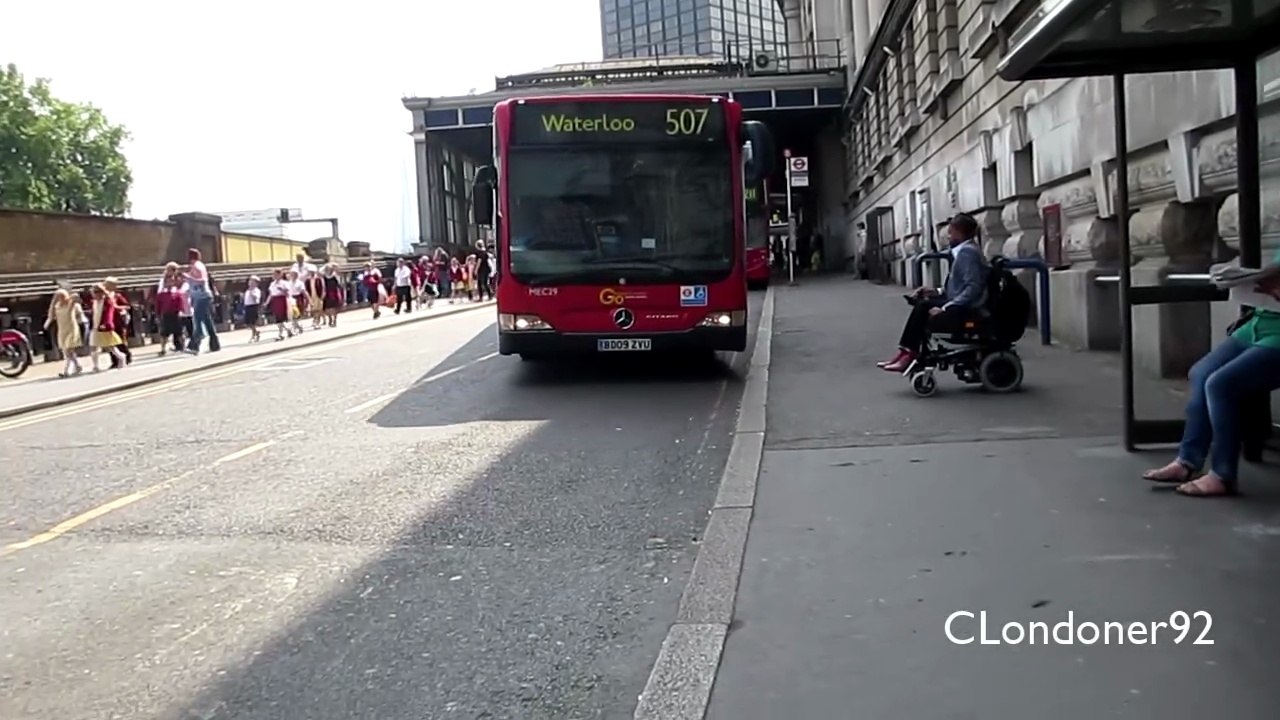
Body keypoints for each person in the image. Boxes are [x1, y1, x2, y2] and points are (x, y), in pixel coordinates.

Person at [1142, 261, 1280, 497]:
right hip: (1260, 322)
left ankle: (1222, 475)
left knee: (1221, 384)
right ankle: (1187, 461)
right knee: (1201, 372)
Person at [879, 214, 990, 373]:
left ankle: (908, 353)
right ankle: (906, 352)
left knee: (923, 306)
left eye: (950, 232)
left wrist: (946, 308)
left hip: (965, 307)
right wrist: (936, 291)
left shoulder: (968, 253)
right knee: (923, 301)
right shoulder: (965, 251)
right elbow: (960, 285)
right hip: (959, 301)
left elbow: (973, 288)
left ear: (959, 232)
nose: (948, 236)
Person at [184, 248, 220, 354]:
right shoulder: (198, 265)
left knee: (198, 321)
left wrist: (189, 278)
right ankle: (215, 344)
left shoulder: (197, 266)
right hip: (200, 296)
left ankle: (194, 346)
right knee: (207, 321)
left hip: (202, 297)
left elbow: (203, 280)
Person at [44, 289, 86, 377]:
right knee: (67, 352)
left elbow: (76, 297)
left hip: (71, 329)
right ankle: (78, 366)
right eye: (58, 297)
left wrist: (68, 298)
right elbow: (51, 315)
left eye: (62, 296)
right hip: (62, 330)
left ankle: (67, 371)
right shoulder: (57, 306)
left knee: (68, 350)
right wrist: (53, 302)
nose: (60, 298)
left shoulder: (70, 304)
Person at [88, 284, 128, 372]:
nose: (93, 294)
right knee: (94, 347)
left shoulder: (107, 301)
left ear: (100, 292)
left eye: (95, 292)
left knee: (110, 346)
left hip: (104, 327)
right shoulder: (94, 302)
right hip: (95, 327)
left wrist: (107, 324)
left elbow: (109, 315)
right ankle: (95, 366)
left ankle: (122, 357)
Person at [243, 276, 263, 342]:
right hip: (247, 306)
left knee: (252, 322)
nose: (251, 283)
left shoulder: (256, 290)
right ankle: (256, 332)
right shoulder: (247, 290)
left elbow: (256, 299)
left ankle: (254, 335)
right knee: (247, 322)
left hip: (253, 306)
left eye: (253, 282)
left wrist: (252, 293)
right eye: (250, 281)